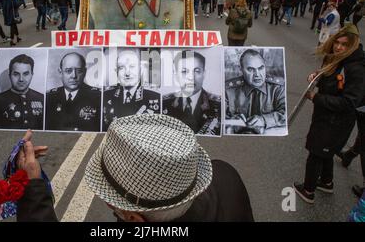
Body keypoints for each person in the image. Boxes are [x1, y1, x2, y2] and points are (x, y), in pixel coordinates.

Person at [15, 115, 254, 222]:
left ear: (134, 219)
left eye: (109, 199)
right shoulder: (225, 175)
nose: (106, 202)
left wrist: (30, 186)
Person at [293, 24, 365, 204]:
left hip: (337, 121)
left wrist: (316, 97)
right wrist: (315, 75)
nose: (338, 47)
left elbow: (349, 102)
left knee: (316, 152)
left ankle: (308, 190)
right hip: (326, 116)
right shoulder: (337, 59)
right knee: (325, 151)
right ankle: (326, 182)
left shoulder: (356, 68)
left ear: (353, 45)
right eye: (337, 43)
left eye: (344, 45)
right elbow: (329, 76)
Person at [225, 49, 286, 135]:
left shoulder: (277, 88)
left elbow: (286, 112)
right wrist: (232, 122)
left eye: (261, 68)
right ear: (241, 69)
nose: (257, 74)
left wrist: (264, 120)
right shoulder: (228, 90)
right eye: (251, 69)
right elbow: (218, 117)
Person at [162, 50, 221, 135]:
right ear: (175, 76)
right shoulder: (164, 102)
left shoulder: (218, 104)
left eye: (197, 71)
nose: (191, 77)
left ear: (204, 74)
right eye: (184, 71)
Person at [103, 48, 160, 130]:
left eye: (132, 66)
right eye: (121, 67)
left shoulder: (155, 96)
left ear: (141, 69)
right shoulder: (106, 95)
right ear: (116, 72)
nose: (127, 73)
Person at [46, 52, 101, 131]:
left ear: (84, 72)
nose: (74, 76)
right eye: (68, 71)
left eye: (78, 71)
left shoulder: (97, 97)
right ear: (60, 72)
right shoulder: (49, 97)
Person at [0, 54, 44, 130]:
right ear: (9, 75)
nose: (21, 79)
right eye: (16, 74)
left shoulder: (42, 98)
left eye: (26, 74)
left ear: (32, 75)